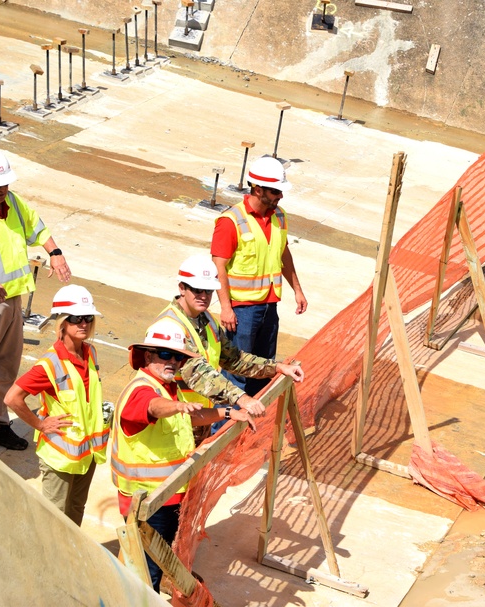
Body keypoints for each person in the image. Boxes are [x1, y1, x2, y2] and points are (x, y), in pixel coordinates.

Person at [110, 318, 255, 592]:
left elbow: (192, 416)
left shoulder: (166, 386)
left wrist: (227, 412)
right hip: (149, 503)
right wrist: (175, 406)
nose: (173, 362)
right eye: (166, 355)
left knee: (155, 564)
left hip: (167, 496)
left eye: (177, 357)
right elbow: (153, 408)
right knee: (145, 573)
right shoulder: (144, 390)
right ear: (149, 356)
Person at [0, 147, 72, 450]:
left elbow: (37, 225)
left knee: (7, 367)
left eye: (5, 184)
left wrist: (56, 253)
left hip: (13, 301)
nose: (2, 190)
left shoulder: (11, 202)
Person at [155, 254, 304, 427]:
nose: (204, 296)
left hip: (197, 419)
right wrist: (241, 398)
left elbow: (234, 358)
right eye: (197, 290)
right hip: (171, 424)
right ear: (182, 288)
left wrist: (277, 367)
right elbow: (199, 374)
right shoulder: (169, 328)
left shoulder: (206, 320)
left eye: (209, 291)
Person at [2, 285, 106, 525]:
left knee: (75, 512)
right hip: (60, 458)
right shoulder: (50, 363)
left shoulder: (91, 353)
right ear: (62, 323)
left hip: (86, 455)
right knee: (53, 520)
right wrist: (40, 424)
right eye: (76, 319)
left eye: (88, 318)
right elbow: (12, 398)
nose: (84, 324)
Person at [211, 155, 307, 396]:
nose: (280, 196)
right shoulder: (231, 221)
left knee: (264, 371)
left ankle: (253, 431)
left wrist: (297, 290)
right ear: (257, 188)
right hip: (241, 312)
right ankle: (222, 430)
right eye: (275, 191)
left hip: (268, 308)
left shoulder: (280, 216)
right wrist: (225, 308)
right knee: (237, 375)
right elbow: (218, 267)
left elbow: (284, 254)